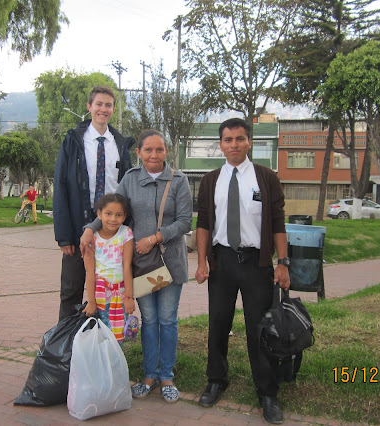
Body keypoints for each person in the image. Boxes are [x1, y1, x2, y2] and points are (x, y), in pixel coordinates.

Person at [81, 129, 192, 403]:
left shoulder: (179, 180)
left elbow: (185, 221)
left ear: (167, 151)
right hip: (141, 265)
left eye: (159, 149)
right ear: (139, 152)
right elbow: (113, 208)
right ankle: (149, 376)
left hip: (169, 262)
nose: (154, 155)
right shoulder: (130, 179)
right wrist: (89, 229)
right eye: (148, 150)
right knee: (150, 320)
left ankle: (167, 376)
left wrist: (155, 238)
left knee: (168, 320)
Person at [194, 118, 290, 424]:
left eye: (239, 139)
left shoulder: (266, 178)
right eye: (228, 139)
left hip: (256, 263)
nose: (233, 144)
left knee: (259, 328)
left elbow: (277, 221)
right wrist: (201, 262)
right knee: (218, 323)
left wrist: (283, 263)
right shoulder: (211, 181)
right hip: (221, 262)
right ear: (221, 144)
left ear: (249, 142)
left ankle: (267, 392)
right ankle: (216, 380)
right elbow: (204, 223)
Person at [53, 86, 135, 321]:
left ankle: (101, 340)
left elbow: (126, 188)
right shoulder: (74, 141)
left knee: (107, 291)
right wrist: (64, 237)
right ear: (89, 107)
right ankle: (67, 341)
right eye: (99, 104)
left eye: (108, 105)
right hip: (78, 225)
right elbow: (61, 186)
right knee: (71, 291)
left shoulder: (120, 144)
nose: (103, 109)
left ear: (113, 109)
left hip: (110, 228)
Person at [83, 193, 136, 342]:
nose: (113, 219)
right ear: (99, 214)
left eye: (118, 215)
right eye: (108, 214)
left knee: (117, 338)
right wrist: (91, 301)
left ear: (124, 217)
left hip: (119, 295)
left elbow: (127, 266)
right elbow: (90, 272)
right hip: (99, 295)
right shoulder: (92, 237)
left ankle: (115, 357)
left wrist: (129, 297)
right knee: (101, 338)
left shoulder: (126, 233)